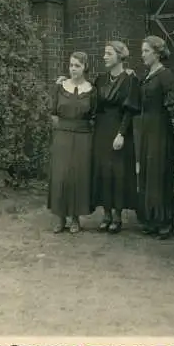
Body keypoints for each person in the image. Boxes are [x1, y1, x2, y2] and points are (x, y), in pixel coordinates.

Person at [56, 41, 140, 233]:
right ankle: (107, 214)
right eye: (104, 53)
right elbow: (87, 98)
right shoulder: (100, 80)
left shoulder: (130, 80)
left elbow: (130, 110)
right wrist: (64, 82)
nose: (104, 56)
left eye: (108, 53)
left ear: (119, 56)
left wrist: (121, 133)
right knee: (103, 171)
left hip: (120, 129)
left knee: (118, 172)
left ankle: (118, 216)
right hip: (101, 130)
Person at [47, 52, 97, 234]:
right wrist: (61, 131)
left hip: (83, 136)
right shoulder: (60, 87)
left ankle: (75, 218)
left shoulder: (91, 90)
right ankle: (60, 218)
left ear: (85, 67)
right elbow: (53, 113)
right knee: (61, 175)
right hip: (62, 135)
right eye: (71, 65)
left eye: (77, 65)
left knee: (78, 177)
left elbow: (94, 115)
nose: (73, 69)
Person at [137, 36, 174, 240]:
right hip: (147, 128)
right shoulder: (147, 75)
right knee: (147, 172)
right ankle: (151, 219)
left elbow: (172, 104)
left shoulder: (165, 75)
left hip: (160, 129)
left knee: (158, 173)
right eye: (142, 51)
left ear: (157, 53)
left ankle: (164, 222)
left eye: (146, 51)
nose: (142, 55)